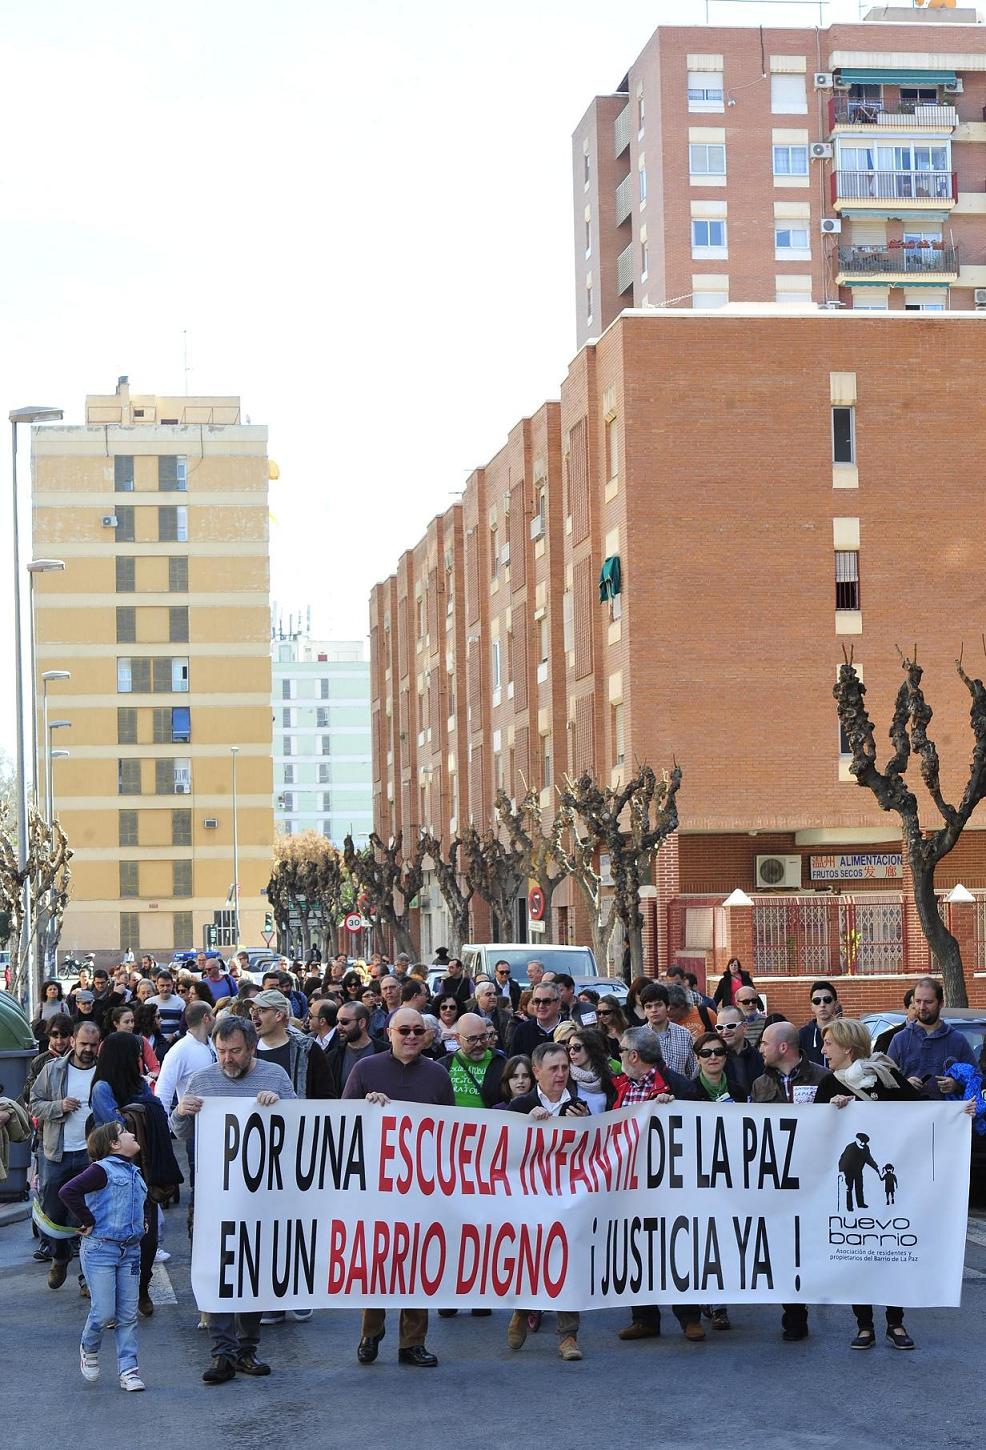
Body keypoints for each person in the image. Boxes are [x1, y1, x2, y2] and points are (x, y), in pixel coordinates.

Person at [171, 1017, 294, 1381]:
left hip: (262, 1195)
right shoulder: (203, 1079)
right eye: (221, 1051)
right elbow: (178, 1131)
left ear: (252, 1048)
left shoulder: (274, 1076)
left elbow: (302, 1126)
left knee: (253, 1271)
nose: (227, 1058)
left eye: (235, 1051)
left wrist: (280, 1107)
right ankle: (222, 1352)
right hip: (214, 1193)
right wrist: (180, 1112)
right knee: (220, 1270)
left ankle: (247, 1348)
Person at [343, 1008, 452, 1367]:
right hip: (376, 1186)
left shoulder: (438, 1074)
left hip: (423, 1187)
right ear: (388, 1032)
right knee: (377, 1261)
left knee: (418, 1263)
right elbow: (342, 1124)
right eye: (403, 1029)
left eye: (418, 1030)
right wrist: (366, 1108)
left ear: (427, 1035)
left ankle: (412, 1342)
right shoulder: (365, 1069)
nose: (410, 1036)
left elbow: (453, 1130)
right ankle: (371, 1331)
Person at [815, 1017, 923, 1350]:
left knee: (889, 1251)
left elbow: (922, 1112)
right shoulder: (828, 1085)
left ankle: (896, 1322)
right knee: (857, 1253)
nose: (823, 1050)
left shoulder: (886, 1079)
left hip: (889, 1183)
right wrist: (831, 1114)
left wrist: (958, 1114)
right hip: (851, 1187)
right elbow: (816, 1134)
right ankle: (864, 1325)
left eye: (829, 1044)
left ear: (847, 1047)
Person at [612, 1028, 704, 1344]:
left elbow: (698, 1130)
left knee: (678, 1245)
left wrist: (674, 1109)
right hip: (631, 1182)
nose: (618, 1055)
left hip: (671, 1183)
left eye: (621, 1050)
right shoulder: (618, 1086)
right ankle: (644, 1318)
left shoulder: (679, 1087)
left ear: (634, 1055)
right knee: (636, 1245)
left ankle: (689, 1317)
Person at [506, 1041, 587, 1360]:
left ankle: (568, 1336)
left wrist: (584, 1126)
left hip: (569, 1199)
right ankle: (522, 1310)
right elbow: (503, 1154)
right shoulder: (519, 1107)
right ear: (536, 1072)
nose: (561, 1074)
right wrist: (527, 1123)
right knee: (532, 1258)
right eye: (553, 1069)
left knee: (569, 1263)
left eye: (565, 1067)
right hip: (529, 1198)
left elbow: (594, 1153)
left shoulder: (578, 1106)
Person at [89, 1032, 179, 1317]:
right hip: (115, 1178)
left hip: (145, 1171)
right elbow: (117, 1131)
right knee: (116, 1239)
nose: (140, 1060)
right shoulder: (102, 1088)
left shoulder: (139, 1085)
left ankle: (142, 1288)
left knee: (147, 1238)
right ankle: (116, 1298)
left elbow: (154, 1114)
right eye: (136, 1055)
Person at [59, 1122, 148, 1392]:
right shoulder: (101, 1169)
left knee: (128, 1314)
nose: (132, 1133)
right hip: (101, 1250)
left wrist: (145, 1224)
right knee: (104, 1311)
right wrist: (87, 1219)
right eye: (125, 1132)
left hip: (130, 1250)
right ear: (114, 1144)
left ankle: (129, 1371)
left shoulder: (135, 1172)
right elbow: (67, 1191)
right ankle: (89, 1347)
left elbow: (142, 1204)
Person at [30, 1020, 101, 1292]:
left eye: (93, 1045)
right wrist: (59, 1106)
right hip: (55, 1153)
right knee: (54, 1213)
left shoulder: (103, 1073)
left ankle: (86, 1276)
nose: (87, 1049)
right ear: (73, 1041)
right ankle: (60, 1257)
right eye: (83, 1044)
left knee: (87, 1216)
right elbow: (34, 1104)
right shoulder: (53, 1069)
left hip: (90, 1155)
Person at [691, 1032, 737, 1331]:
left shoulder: (740, 1088)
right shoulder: (687, 1091)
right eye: (705, 1053)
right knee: (702, 1237)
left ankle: (720, 1303)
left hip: (733, 1173)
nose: (712, 1057)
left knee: (725, 1237)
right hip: (697, 1173)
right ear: (697, 1058)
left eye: (718, 1051)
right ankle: (705, 1299)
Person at [886, 976, 976, 1092]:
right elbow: (885, 1083)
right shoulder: (899, 1039)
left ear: (941, 1003)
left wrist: (956, 1085)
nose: (922, 1007)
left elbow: (976, 1077)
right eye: (918, 1001)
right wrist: (905, 1084)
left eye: (928, 1002)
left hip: (947, 1109)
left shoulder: (957, 1040)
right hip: (909, 1109)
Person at [250, 990, 333, 1098]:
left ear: (278, 1015)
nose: (254, 1015)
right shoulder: (247, 1049)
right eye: (252, 1010)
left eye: (261, 1010)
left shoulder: (307, 1049)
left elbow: (326, 1097)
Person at [752, 1020, 828, 1105]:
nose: (760, 1050)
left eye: (765, 1044)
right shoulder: (760, 1085)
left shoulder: (824, 1078)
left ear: (783, 1047)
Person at [440, 1012, 505, 1107]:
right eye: (472, 1039)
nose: (478, 1044)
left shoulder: (502, 1063)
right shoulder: (443, 1066)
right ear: (458, 1039)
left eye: (483, 1037)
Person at [323, 1004, 386, 1096]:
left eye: (344, 1022)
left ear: (362, 1023)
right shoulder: (332, 1057)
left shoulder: (385, 1051)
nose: (338, 1027)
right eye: (337, 1022)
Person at [640, 983, 697, 1078]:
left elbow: (692, 1071)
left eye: (658, 1005)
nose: (654, 1010)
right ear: (644, 1011)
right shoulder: (639, 1037)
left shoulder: (684, 1034)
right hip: (651, 1091)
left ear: (668, 1007)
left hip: (680, 1090)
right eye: (648, 1006)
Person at [715, 1007, 764, 1101]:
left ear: (744, 1027)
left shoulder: (761, 1058)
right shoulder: (710, 1059)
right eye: (720, 1027)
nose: (725, 1032)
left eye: (731, 1026)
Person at [565, 1028, 617, 1113]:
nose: (571, 1052)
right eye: (569, 1048)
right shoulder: (565, 1079)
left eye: (576, 1047)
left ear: (591, 1048)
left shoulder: (610, 1079)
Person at [510, 981, 563, 1057]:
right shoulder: (522, 1030)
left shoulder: (569, 1029)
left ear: (559, 1003)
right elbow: (515, 1064)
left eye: (546, 1001)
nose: (541, 1006)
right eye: (537, 1001)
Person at [798, 981, 840, 1065]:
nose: (822, 1005)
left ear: (836, 1004)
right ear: (812, 1007)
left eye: (827, 999)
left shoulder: (846, 1033)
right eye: (816, 1001)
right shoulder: (802, 1035)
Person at [469, 979, 512, 1050]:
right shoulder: (468, 1014)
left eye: (494, 994)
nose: (493, 997)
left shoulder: (505, 1016)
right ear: (478, 997)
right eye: (488, 994)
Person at [873, 989, 918, 1056]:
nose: (920, 1011)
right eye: (914, 1008)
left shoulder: (936, 1035)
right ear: (906, 1009)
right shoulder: (886, 1039)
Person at [148, 971, 186, 1042]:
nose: (165, 989)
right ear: (157, 985)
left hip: (174, 1042)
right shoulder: (149, 1003)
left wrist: (175, 1035)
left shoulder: (180, 1003)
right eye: (162, 985)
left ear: (172, 985)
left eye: (168, 985)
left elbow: (184, 1025)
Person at [735, 984, 766, 1050]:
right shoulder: (732, 1025)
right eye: (746, 1002)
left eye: (754, 1001)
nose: (751, 1005)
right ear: (737, 1004)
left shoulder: (766, 1022)